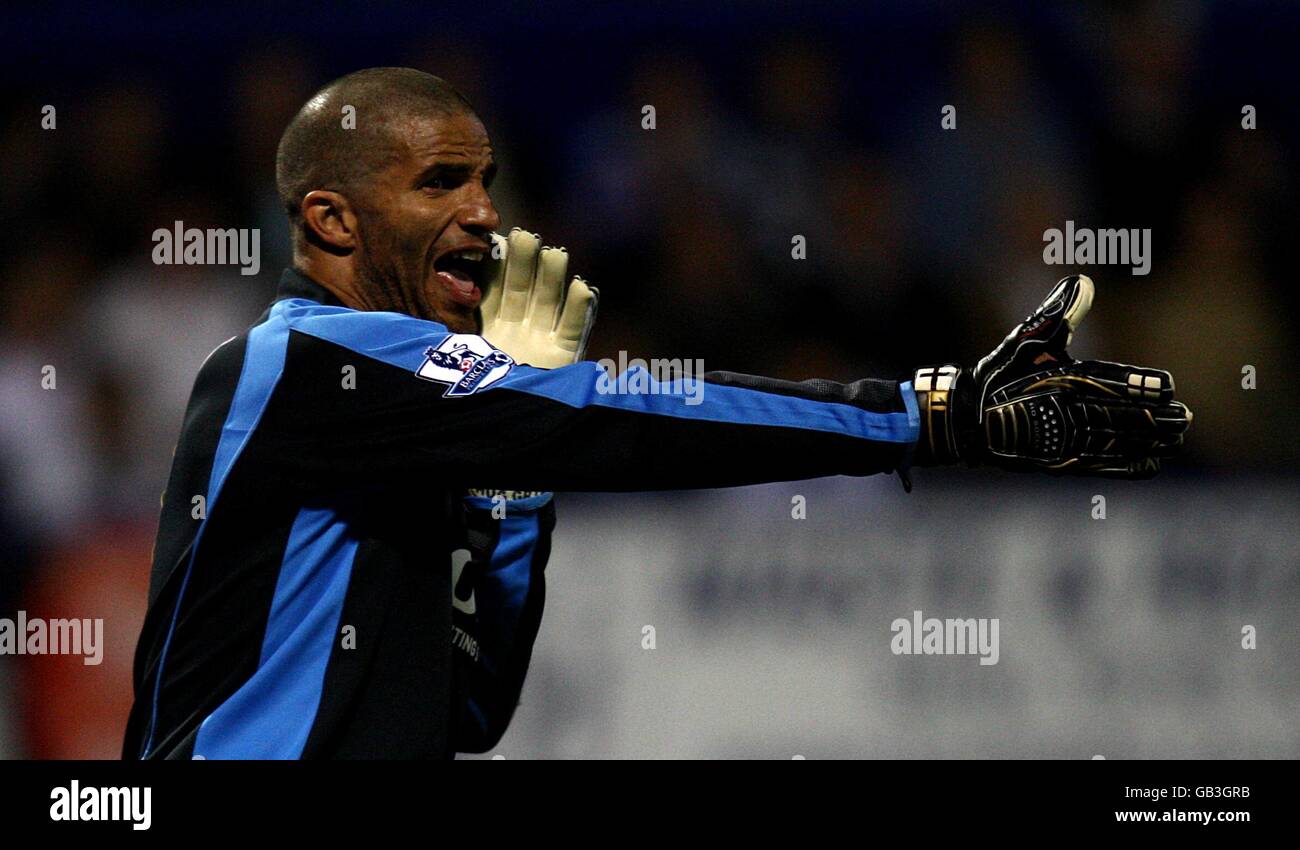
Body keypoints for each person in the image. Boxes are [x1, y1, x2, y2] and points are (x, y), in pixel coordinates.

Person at [123, 68, 1190, 759]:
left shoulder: (415, 415)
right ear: (330, 219)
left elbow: (470, 710)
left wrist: (512, 469)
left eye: (486, 180)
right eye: (440, 182)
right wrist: (923, 413)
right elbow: (625, 412)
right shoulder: (309, 362)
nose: (485, 213)